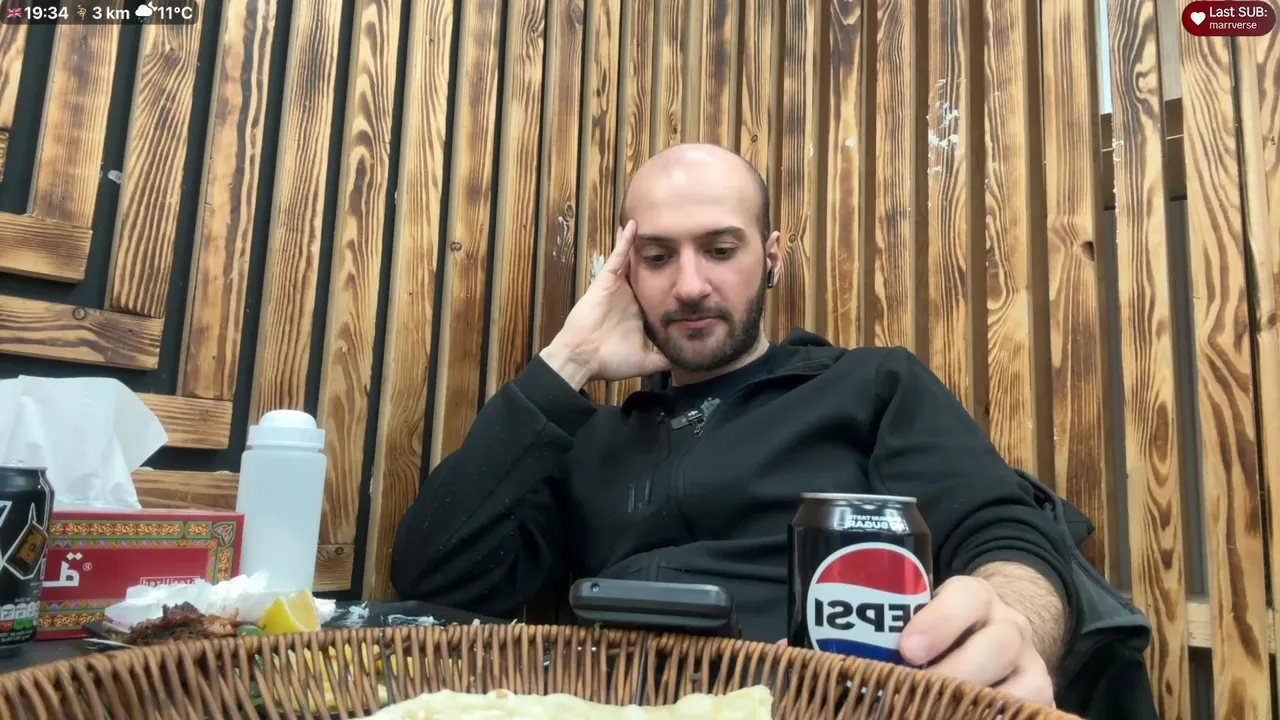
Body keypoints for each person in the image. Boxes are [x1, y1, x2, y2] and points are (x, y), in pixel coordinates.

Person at [391, 143, 1078, 706]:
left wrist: (1014, 625)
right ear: (627, 274)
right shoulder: (586, 441)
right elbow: (436, 579)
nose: (690, 285)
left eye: (720, 250)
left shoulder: (870, 385)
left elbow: (1005, 537)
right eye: (657, 257)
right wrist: (565, 364)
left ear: (771, 258)